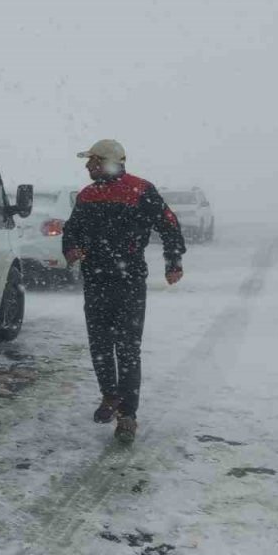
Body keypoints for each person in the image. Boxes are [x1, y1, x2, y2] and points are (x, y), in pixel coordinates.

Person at [62, 139, 185, 444]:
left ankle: (128, 416)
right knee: (100, 345)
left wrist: (173, 261)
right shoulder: (87, 195)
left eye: (92, 161)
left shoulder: (141, 190)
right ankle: (110, 396)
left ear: (107, 161)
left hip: (129, 281)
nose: (87, 167)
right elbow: (71, 229)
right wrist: (71, 248)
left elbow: (168, 224)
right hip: (95, 281)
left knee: (127, 349)